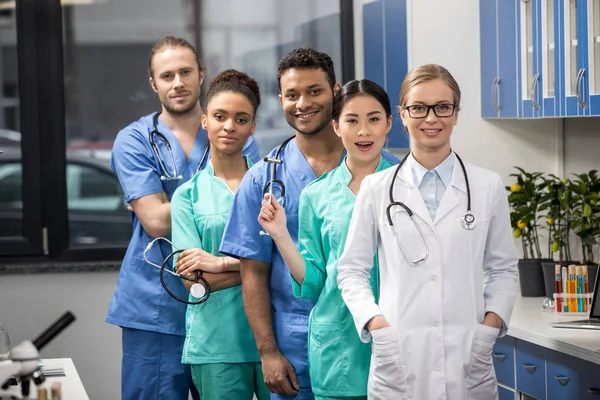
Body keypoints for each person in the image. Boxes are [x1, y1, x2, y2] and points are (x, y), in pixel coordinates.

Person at [337, 64, 518, 400]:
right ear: (402, 115)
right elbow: (351, 270)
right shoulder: (377, 189)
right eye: (419, 108)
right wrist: (375, 324)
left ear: (455, 114)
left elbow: (503, 269)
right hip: (400, 357)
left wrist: (489, 328)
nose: (431, 118)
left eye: (442, 107)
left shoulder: (486, 186)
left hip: (468, 357)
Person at [107, 36, 259, 400]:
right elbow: (156, 222)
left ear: (201, 75)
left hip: (226, 303)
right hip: (156, 304)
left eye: (186, 72)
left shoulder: (232, 128)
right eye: (167, 75)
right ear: (153, 83)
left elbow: (251, 213)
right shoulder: (134, 140)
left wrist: (166, 202)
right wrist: (207, 199)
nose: (178, 83)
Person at [257, 79, 398, 400]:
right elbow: (315, 280)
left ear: (389, 123)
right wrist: (280, 234)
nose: (363, 131)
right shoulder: (316, 196)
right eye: (352, 120)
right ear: (336, 126)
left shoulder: (408, 186)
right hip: (339, 348)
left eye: (374, 119)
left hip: (397, 340)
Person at [219, 47, 346, 399]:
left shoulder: (378, 169)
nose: (302, 103)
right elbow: (253, 271)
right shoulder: (263, 179)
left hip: (365, 340)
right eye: (292, 95)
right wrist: (268, 353)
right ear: (281, 100)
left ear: (335, 92)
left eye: (314, 91)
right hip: (296, 346)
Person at [170, 69, 270, 400]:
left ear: (252, 126)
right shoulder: (187, 196)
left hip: (275, 338)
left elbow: (290, 265)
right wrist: (258, 269)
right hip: (216, 342)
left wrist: (219, 264)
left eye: (241, 119)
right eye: (220, 116)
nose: (229, 126)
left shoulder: (271, 186)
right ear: (204, 121)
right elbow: (194, 283)